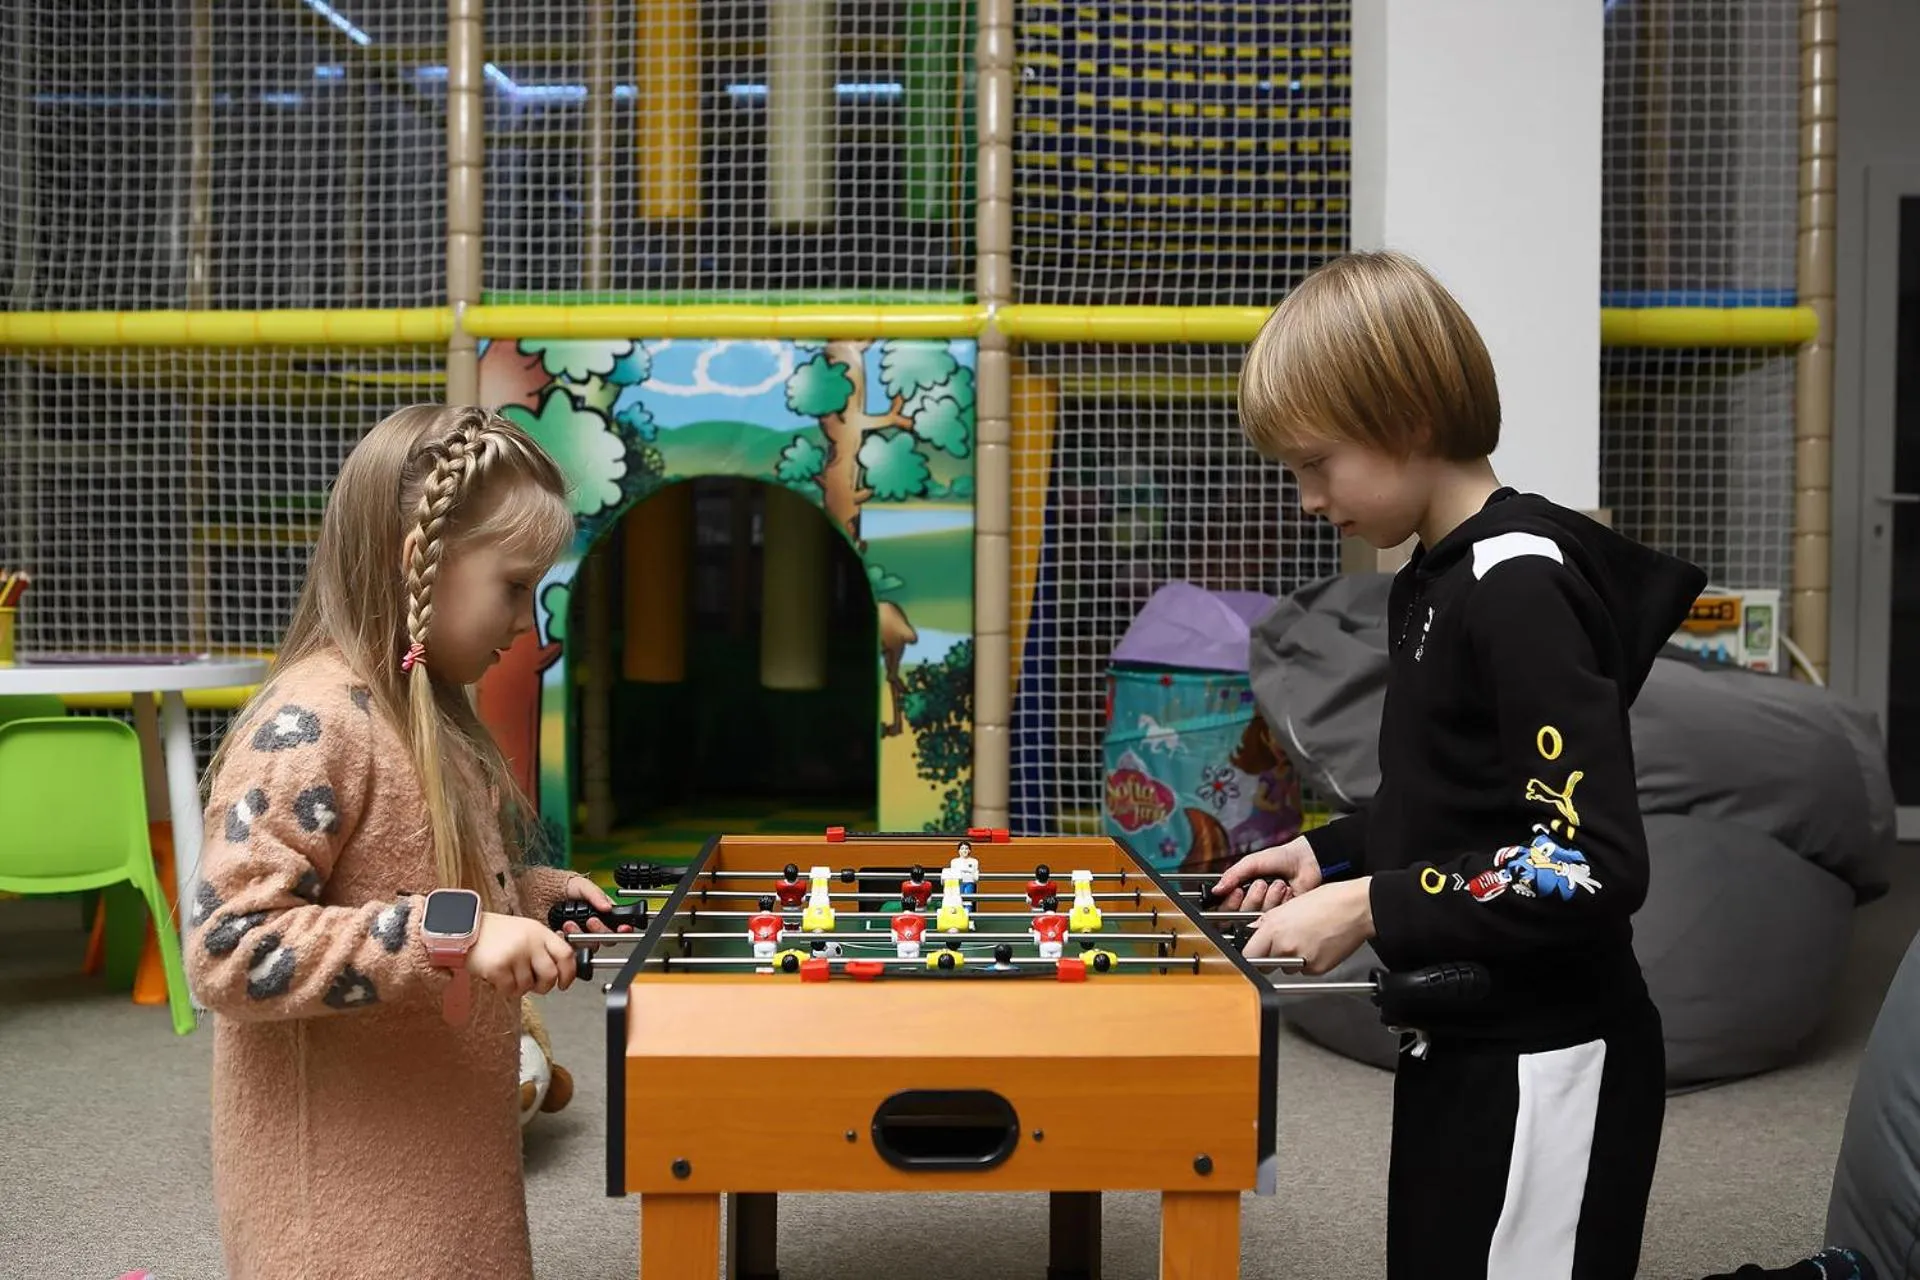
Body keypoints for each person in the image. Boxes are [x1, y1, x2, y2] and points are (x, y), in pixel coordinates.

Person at [1211, 250, 1706, 1280]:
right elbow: (1466, 797)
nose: (1307, 499)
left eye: (1316, 463)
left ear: (1405, 420)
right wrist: (1331, 853)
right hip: (1460, 1030)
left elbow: (1589, 859)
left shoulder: (1519, 587)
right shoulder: (1428, 579)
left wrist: (1373, 907)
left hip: (1551, 1051)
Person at [185, 404, 626, 1280]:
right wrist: (451, 934)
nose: (524, 623)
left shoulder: (428, 715)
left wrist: (527, 902)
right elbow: (228, 948)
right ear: (415, 561)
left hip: (445, 1179)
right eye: (511, 586)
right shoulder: (310, 722)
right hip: (347, 1223)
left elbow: (408, 880)